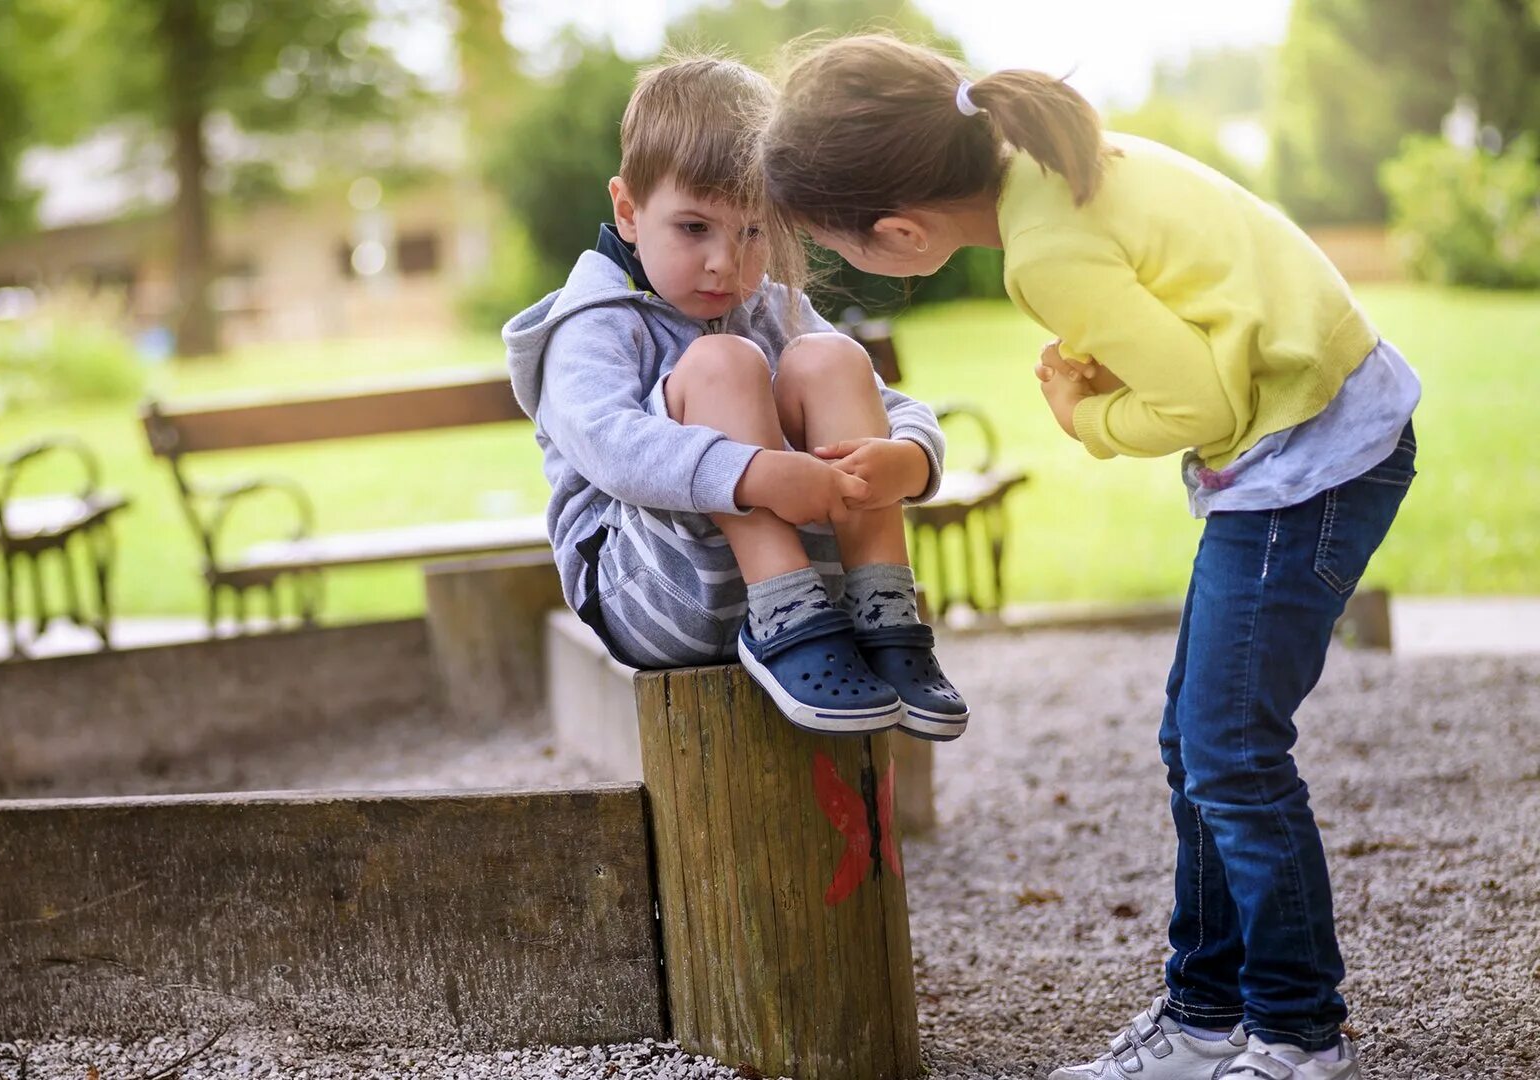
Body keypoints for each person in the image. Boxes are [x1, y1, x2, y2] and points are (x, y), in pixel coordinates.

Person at [758, 33, 1420, 1080]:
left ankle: (1299, 1032)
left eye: (842, 252)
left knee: (1231, 750)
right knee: (1197, 740)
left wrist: (1086, 415)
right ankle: (1204, 1015)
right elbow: (1202, 305)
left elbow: (1200, 403)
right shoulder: (1050, 161)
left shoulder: (1045, 251)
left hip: (1315, 460)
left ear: (899, 230)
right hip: (1318, 427)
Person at [503, 53, 969, 739]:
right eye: (695, 229)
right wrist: (751, 474)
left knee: (831, 357)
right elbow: (608, 445)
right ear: (629, 210)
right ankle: (786, 616)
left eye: (753, 231)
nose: (727, 261)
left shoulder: (773, 306)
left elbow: (883, 400)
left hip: (821, 601)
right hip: (655, 591)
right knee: (722, 363)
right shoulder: (593, 323)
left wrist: (911, 457)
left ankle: (885, 611)